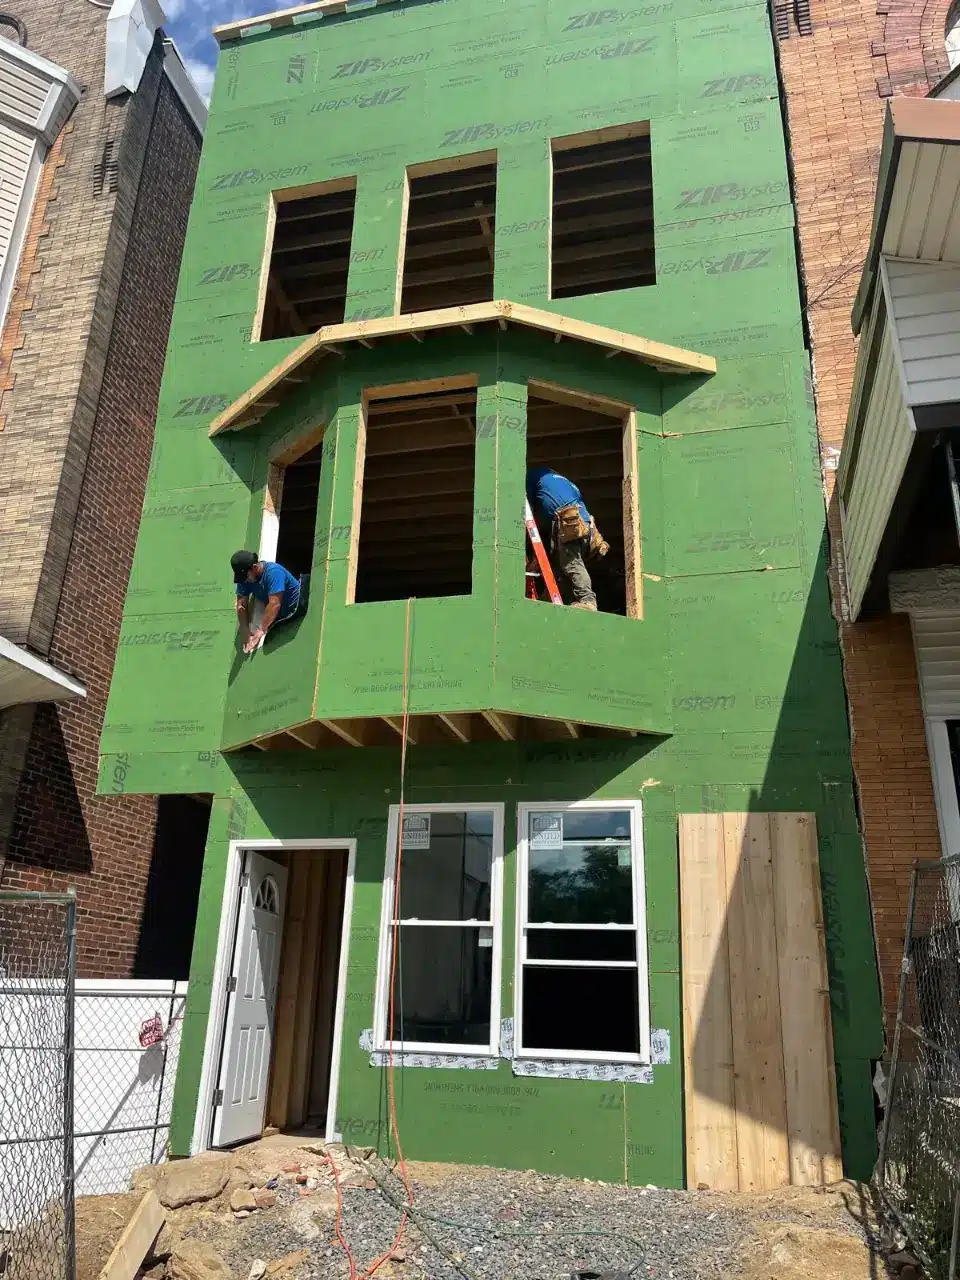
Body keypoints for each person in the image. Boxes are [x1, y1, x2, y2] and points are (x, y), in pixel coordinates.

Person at [526, 466, 609, 610]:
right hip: (584, 525)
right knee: (562, 567)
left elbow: (528, 511)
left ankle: (587, 600)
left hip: (570, 522)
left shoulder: (532, 476)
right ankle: (551, 601)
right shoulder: (563, 482)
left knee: (571, 563)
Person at [231, 550, 303, 653]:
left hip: (297, 609)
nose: (245, 581)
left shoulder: (273, 572)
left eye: (246, 577)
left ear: (254, 567)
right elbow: (241, 606)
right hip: (280, 617)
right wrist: (245, 632)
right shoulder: (245, 579)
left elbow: (274, 604)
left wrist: (260, 631)